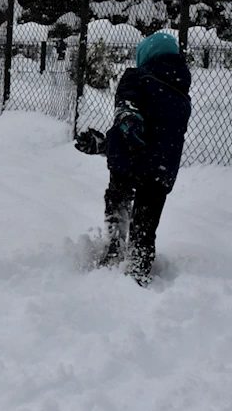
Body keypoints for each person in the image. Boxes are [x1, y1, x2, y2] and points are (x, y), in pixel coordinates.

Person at [76, 32, 192, 286]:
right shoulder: (182, 96)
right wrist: (107, 144)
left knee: (117, 199)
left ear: (146, 55)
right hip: (161, 171)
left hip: (129, 162)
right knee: (145, 225)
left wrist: (125, 119)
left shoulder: (137, 76)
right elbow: (155, 136)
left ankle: (114, 249)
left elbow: (127, 114)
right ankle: (138, 268)